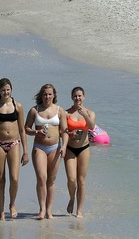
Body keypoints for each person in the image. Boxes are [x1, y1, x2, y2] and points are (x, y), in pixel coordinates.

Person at [0, 78, 29, 221]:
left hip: (14, 144)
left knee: (14, 178)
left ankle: (12, 204)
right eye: (3, 89)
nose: (6, 92)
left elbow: (22, 130)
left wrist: (26, 151)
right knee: (0, 179)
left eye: (8, 89)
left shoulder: (18, 106)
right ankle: (1, 212)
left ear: (11, 90)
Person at [24, 84, 68, 220]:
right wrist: (36, 132)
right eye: (45, 94)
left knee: (51, 180)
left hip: (55, 147)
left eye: (49, 94)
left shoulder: (60, 111)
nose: (47, 97)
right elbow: (26, 128)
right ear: (41, 95)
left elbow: (64, 131)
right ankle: (42, 209)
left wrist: (64, 146)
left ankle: (49, 210)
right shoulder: (34, 110)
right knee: (41, 178)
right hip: (39, 147)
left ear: (54, 95)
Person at [63, 86, 96, 218]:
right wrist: (70, 133)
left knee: (81, 180)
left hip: (84, 148)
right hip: (70, 148)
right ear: (72, 97)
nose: (77, 98)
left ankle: (80, 210)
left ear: (84, 97)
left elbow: (92, 126)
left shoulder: (90, 112)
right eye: (75, 96)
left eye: (80, 96)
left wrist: (84, 115)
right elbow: (62, 132)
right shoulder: (66, 113)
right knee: (71, 179)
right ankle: (72, 198)